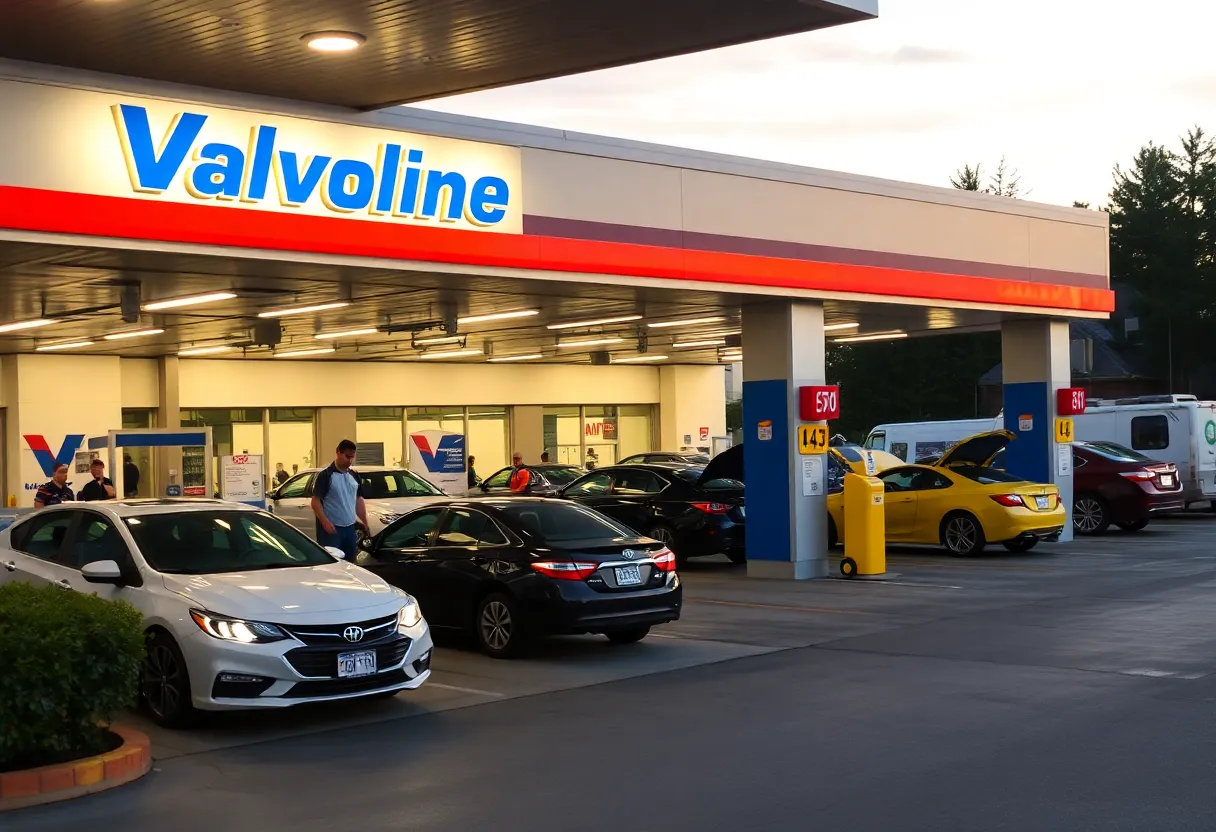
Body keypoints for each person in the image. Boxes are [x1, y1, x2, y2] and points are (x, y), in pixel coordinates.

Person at [310, 439, 369, 559]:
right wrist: (325, 522)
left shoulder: (354, 475)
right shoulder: (325, 475)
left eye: (352, 457)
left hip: (350, 528)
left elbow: (358, 500)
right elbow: (315, 502)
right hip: (332, 529)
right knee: (333, 563)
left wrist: (365, 523)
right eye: (347, 457)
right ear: (338, 453)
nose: (350, 461)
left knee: (350, 563)